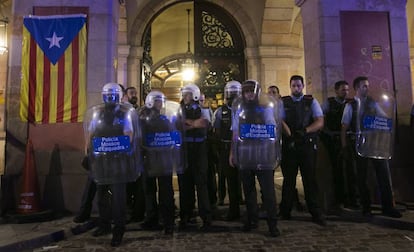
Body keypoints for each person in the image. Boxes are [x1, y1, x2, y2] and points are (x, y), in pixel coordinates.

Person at [84, 82, 141, 246]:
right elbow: (91, 132)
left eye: (112, 95)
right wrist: (87, 152)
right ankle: (104, 224)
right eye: (107, 96)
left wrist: (118, 146)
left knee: (118, 197)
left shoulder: (125, 114)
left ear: (118, 96)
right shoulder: (98, 113)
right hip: (101, 159)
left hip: (118, 159)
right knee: (101, 194)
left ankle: (119, 230)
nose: (110, 98)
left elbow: (129, 134)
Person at [341, 76, 402, 218]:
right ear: (356, 88)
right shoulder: (350, 106)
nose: (367, 88)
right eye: (364, 86)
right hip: (359, 146)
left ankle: (388, 207)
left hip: (375, 145)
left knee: (384, 175)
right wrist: (344, 147)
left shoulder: (372, 103)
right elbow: (344, 127)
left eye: (367, 86)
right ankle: (366, 207)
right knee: (361, 178)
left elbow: (382, 119)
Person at [229, 79, 281, 237]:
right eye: (246, 92)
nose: (249, 94)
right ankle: (252, 220)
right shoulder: (239, 109)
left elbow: (272, 129)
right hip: (245, 153)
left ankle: (273, 224)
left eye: (251, 91)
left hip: (263, 153)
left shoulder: (265, 109)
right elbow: (236, 132)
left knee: (268, 191)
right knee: (249, 190)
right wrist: (232, 152)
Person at [279, 75, 327, 226]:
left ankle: (315, 212)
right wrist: (290, 135)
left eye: (299, 85)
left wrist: (305, 131)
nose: (296, 88)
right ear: (290, 86)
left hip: (306, 144)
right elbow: (279, 120)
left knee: (310, 179)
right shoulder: (283, 102)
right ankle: (285, 211)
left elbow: (320, 121)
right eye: (293, 86)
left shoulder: (311, 101)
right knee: (289, 180)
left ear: (303, 86)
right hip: (290, 145)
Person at [139, 91, 182, 235]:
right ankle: (161, 220)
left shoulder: (145, 117)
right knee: (155, 191)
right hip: (154, 158)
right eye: (157, 101)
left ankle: (162, 220)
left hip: (156, 158)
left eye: (160, 101)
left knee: (162, 191)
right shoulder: (151, 118)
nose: (160, 104)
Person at [178, 83, 212, 230]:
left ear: (195, 95)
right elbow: (178, 125)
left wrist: (188, 124)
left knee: (202, 183)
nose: (185, 97)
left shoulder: (203, 109)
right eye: (184, 94)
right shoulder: (179, 110)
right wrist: (193, 124)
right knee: (185, 184)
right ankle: (186, 215)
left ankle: (206, 217)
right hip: (184, 149)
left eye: (187, 94)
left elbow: (204, 123)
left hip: (199, 149)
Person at [321, 80, 359, 211]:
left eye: (347, 90)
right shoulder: (329, 103)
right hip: (334, 140)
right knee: (337, 171)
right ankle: (340, 199)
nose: (346, 92)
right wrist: (328, 134)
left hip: (348, 139)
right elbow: (321, 118)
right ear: (336, 90)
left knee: (351, 171)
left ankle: (353, 198)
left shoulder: (351, 103)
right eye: (343, 90)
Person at [267, 85, 305, 213]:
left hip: (286, 145)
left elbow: (287, 131)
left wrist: (279, 120)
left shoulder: (283, 107)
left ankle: (292, 201)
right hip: (271, 146)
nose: (271, 94)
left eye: (274, 92)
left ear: (279, 95)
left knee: (288, 175)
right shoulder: (266, 109)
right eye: (269, 92)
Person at [213, 80, 242, 221]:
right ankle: (233, 210)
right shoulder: (220, 112)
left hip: (242, 149)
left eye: (235, 93)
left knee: (244, 180)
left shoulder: (244, 110)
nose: (232, 96)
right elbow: (217, 131)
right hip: (226, 148)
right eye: (230, 93)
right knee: (230, 181)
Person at [200, 94, 219, 210]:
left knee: (210, 175)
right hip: (200, 148)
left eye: (202, 100)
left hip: (208, 147)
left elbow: (211, 126)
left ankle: (212, 200)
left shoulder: (208, 111)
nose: (201, 102)